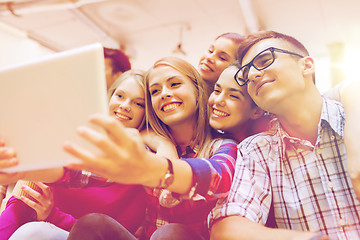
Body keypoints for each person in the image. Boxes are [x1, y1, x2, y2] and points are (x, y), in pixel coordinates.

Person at [61, 56, 237, 240]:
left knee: (171, 234)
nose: (164, 94)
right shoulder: (147, 148)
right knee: (92, 224)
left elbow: (217, 179)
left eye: (175, 84)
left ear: (198, 92)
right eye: (155, 91)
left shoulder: (222, 146)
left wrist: (162, 168)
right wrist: (47, 169)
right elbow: (87, 172)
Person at [209, 30, 360, 239]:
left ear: (306, 66)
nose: (252, 74)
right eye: (246, 74)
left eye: (264, 60)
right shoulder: (256, 151)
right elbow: (227, 226)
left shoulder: (352, 117)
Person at [4, 70, 147, 240]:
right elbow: (20, 204)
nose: (125, 105)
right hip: (35, 229)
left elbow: (113, 233)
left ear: (147, 115)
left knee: (36, 232)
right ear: (109, 98)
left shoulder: (140, 168)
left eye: (138, 104)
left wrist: (52, 216)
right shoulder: (71, 139)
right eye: (120, 96)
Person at [208, 61, 270, 143]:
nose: (218, 100)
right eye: (217, 90)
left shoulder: (261, 149)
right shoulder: (202, 139)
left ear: (257, 111)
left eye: (233, 96)